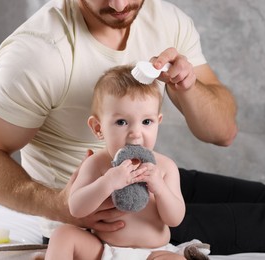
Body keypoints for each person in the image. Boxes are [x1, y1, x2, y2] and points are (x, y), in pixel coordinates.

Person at [0, 0, 265, 256]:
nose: (121, 6)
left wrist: (186, 87)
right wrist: (62, 206)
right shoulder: (39, 52)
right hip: (105, 217)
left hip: (151, 179)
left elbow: (223, 132)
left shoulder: (166, 21)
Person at [45, 65, 188, 260]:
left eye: (146, 122)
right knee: (63, 235)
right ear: (98, 128)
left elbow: (175, 218)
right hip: (103, 251)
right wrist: (107, 183)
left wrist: (160, 188)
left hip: (153, 253)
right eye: (121, 122)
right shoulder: (97, 164)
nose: (136, 133)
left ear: (158, 121)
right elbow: (76, 208)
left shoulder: (164, 167)